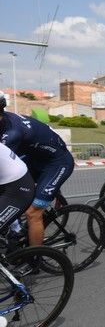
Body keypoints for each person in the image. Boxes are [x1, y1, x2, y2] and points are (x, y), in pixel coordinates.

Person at [0, 94, 74, 247]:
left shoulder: (12, 133)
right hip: (33, 158)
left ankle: (34, 260)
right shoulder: (5, 120)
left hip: (57, 163)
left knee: (33, 213)